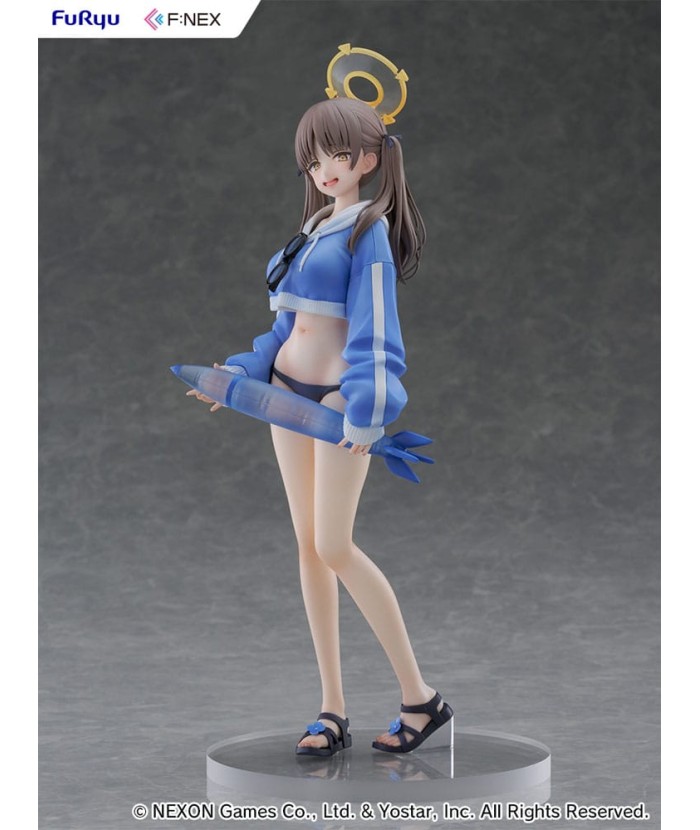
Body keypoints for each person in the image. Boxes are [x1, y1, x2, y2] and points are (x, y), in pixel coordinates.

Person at [188, 88, 453, 757]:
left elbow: (376, 329)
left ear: (369, 158)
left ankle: (420, 697)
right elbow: (287, 328)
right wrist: (241, 376)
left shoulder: (367, 234)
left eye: (338, 155)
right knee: (309, 547)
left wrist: (368, 409)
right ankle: (332, 706)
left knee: (335, 545)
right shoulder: (312, 231)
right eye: (314, 160)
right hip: (286, 396)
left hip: (337, 402)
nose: (325, 170)